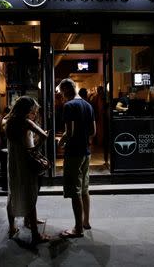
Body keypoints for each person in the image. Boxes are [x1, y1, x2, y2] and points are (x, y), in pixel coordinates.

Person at [4, 96, 50, 245]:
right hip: (26, 161)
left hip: (13, 162)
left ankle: (12, 228)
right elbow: (43, 136)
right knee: (30, 193)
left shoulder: (8, 121)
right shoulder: (26, 122)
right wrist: (34, 148)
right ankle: (35, 234)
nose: (34, 114)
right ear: (27, 110)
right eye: (33, 111)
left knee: (13, 192)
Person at [58, 78, 96, 238]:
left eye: (61, 93)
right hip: (86, 152)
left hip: (73, 152)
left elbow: (70, 132)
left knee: (75, 191)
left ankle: (78, 228)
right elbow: (93, 131)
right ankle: (86, 221)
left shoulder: (69, 106)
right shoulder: (88, 105)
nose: (61, 96)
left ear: (66, 90)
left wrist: (61, 141)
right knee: (85, 189)